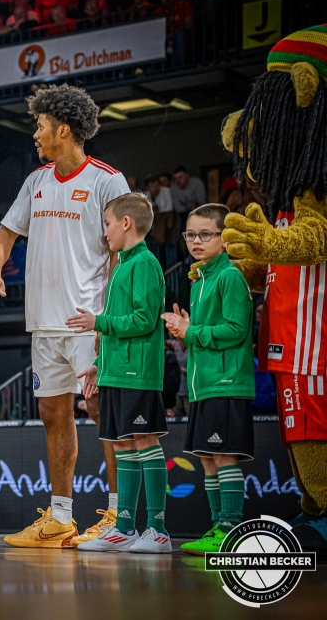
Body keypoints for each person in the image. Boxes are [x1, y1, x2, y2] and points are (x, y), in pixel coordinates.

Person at [0, 84, 127, 548]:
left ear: (63, 128)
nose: (35, 134)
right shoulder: (36, 181)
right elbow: (3, 235)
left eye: (39, 125)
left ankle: (118, 516)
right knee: (52, 414)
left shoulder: (107, 180)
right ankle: (61, 516)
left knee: (103, 411)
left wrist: (110, 320)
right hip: (43, 322)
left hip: (88, 321)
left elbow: (123, 255)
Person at [67, 194, 170, 553]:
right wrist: (100, 364)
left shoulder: (144, 263)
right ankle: (124, 528)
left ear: (126, 223)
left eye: (107, 223)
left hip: (137, 373)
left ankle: (157, 530)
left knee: (144, 443)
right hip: (116, 372)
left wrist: (99, 322)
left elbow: (144, 320)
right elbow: (122, 326)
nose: (104, 231)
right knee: (124, 446)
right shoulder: (123, 265)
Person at [162, 204, 254, 555]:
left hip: (226, 383)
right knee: (207, 457)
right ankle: (219, 528)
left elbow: (236, 329)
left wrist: (192, 330)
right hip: (205, 385)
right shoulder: (200, 279)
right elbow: (202, 334)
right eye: (190, 234)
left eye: (205, 234)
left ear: (224, 240)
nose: (195, 241)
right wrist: (186, 332)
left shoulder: (229, 275)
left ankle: (231, 531)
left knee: (224, 455)